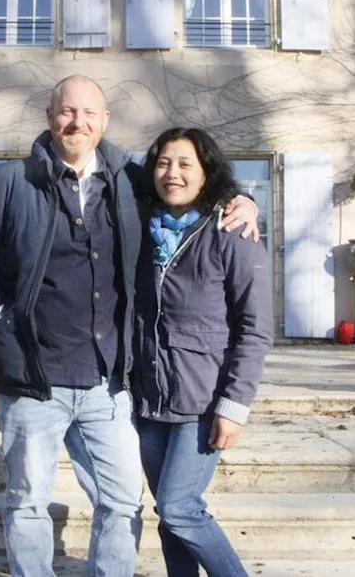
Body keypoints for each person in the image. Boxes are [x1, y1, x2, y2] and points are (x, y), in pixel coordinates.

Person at [0, 75, 258, 577]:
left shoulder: (130, 181)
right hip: (31, 377)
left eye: (90, 113)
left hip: (107, 383)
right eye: (68, 112)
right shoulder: (8, 182)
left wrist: (241, 200)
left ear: (104, 121)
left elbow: (187, 187)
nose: (78, 122)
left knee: (122, 502)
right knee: (27, 501)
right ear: (51, 117)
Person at [132, 127, 274, 577]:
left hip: (203, 400)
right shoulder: (138, 227)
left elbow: (255, 328)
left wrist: (234, 406)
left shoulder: (232, 230)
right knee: (169, 515)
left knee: (179, 507)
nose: (171, 173)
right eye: (162, 162)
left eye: (184, 164)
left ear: (205, 172)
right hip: (148, 397)